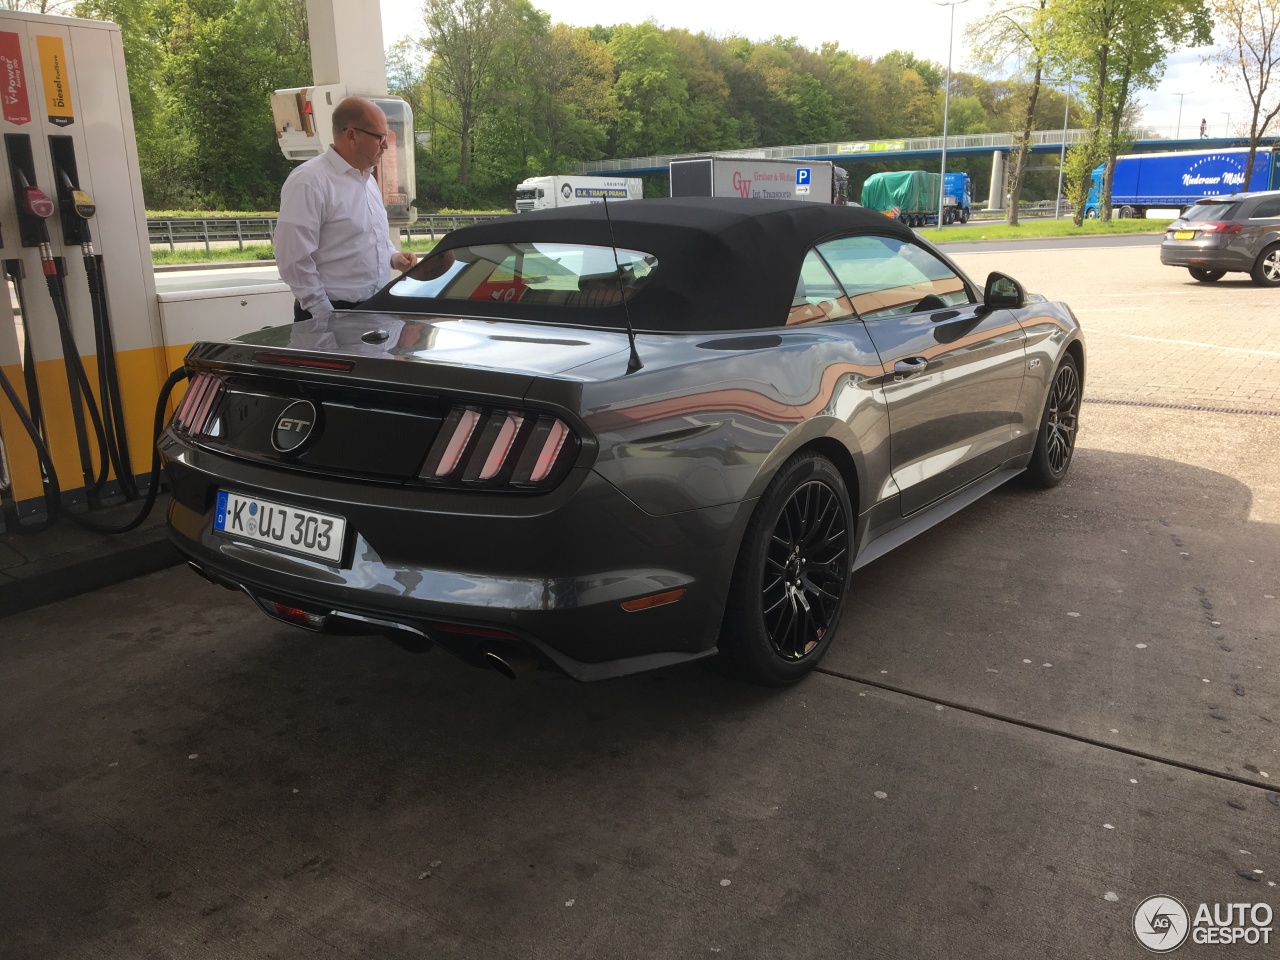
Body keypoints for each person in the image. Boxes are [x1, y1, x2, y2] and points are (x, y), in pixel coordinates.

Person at [275, 96, 418, 322]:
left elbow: (367, 235)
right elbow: (293, 259)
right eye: (380, 137)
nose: (386, 145)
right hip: (331, 312)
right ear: (352, 135)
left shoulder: (367, 179)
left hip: (373, 309)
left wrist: (393, 257)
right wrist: (324, 315)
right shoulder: (309, 181)